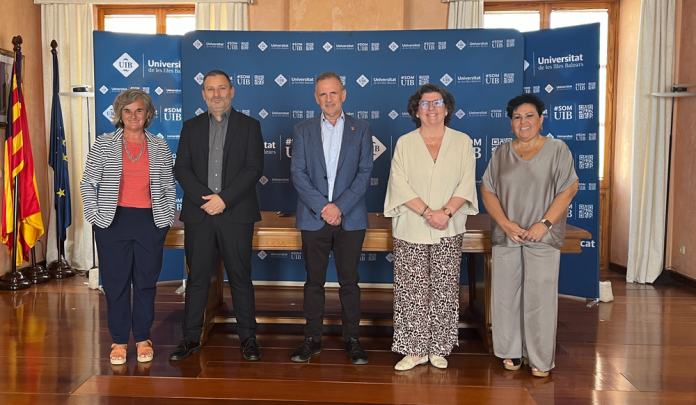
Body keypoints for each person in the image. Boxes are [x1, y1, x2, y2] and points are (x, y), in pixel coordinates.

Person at [481, 93, 578, 378]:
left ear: (541, 119)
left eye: (529, 116)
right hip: (507, 236)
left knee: (540, 297)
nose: (523, 122)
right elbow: (487, 190)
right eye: (517, 117)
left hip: (542, 237)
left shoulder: (558, 149)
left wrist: (545, 223)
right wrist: (506, 224)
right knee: (505, 295)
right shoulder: (501, 152)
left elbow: (568, 189)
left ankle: (539, 356)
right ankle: (510, 350)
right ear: (511, 123)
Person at [170, 70, 264, 362]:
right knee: (197, 278)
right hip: (200, 215)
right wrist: (206, 201)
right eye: (210, 89)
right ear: (204, 94)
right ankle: (190, 338)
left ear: (232, 91)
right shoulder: (190, 127)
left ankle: (248, 338)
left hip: (236, 213)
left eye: (222, 88)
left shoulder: (250, 126)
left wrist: (223, 199)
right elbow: (181, 169)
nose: (217, 94)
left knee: (240, 278)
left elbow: (253, 169)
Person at [384, 83, 478, 371]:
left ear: (447, 108)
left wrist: (446, 212)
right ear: (416, 111)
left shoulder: (462, 141)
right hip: (411, 226)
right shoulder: (405, 142)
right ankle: (413, 350)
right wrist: (428, 212)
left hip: (448, 227)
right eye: (425, 104)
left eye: (437, 103)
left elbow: (466, 181)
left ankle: (439, 348)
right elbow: (399, 183)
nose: (432, 108)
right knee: (412, 290)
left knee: (445, 288)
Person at [80, 89, 176, 365]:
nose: (133, 116)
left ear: (148, 114)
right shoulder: (104, 143)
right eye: (127, 111)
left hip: (150, 221)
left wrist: (166, 217)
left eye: (139, 110)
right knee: (116, 283)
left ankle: (143, 337)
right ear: (119, 115)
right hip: (113, 222)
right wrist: (95, 216)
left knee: (146, 282)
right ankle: (119, 340)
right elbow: (88, 182)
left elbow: (169, 186)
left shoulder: (159, 146)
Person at [289, 71, 373, 365]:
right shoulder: (302, 130)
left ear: (344, 95)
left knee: (349, 282)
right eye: (322, 94)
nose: (328, 99)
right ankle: (312, 339)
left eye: (333, 93)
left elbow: (364, 174)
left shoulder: (361, 129)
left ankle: (352, 339)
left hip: (350, 219)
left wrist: (339, 207)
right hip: (314, 218)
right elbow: (298, 174)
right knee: (314, 282)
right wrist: (324, 207)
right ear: (316, 98)